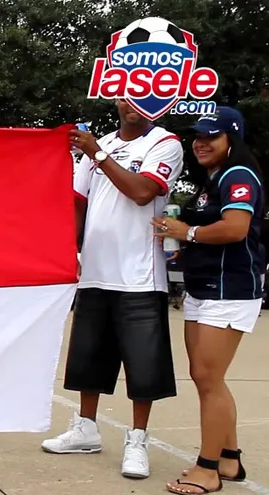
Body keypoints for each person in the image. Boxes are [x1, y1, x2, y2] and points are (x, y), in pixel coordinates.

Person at [40, 98, 184, 480]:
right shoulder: (98, 143)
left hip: (139, 273)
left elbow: (142, 192)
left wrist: (98, 154)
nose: (132, 103)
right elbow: (77, 202)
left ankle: (137, 439)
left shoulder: (164, 143)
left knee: (143, 362)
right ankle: (86, 427)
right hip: (96, 268)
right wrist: (67, 249)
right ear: (117, 100)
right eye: (125, 95)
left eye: (142, 94)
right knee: (88, 355)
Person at [152, 107, 264, 495]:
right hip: (204, 288)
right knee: (207, 379)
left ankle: (208, 469)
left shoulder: (238, 175)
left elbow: (236, 228)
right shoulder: (212, 179)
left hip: (229, 289)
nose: (200, 143)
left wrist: (189, 232)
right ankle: (229, 459)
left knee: (208, 379)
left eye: (210, 136)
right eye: (197, 136)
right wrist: (181, 235)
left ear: (231, 139)